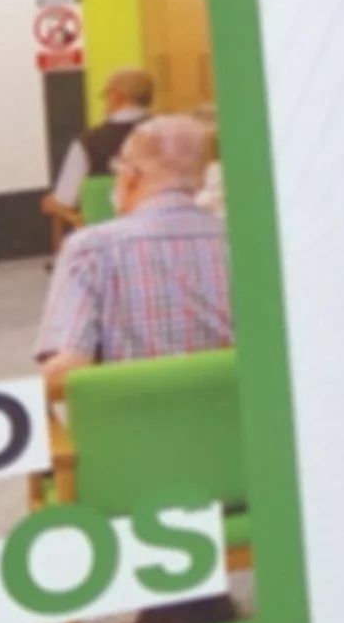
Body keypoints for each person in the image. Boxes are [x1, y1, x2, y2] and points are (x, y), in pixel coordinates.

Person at [35, 113, 230, 394]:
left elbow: (67, 371)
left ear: (131, 178)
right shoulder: (238, 242)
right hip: (234, 427)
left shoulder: (90, 249)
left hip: (132, 431)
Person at [46, 68, 155, 248]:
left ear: (117, 97)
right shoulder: (168, 134)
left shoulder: (88, 143)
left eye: (105, 96)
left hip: (105, 239)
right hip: (156, 231)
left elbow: (65, 199)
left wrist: (54, 204)